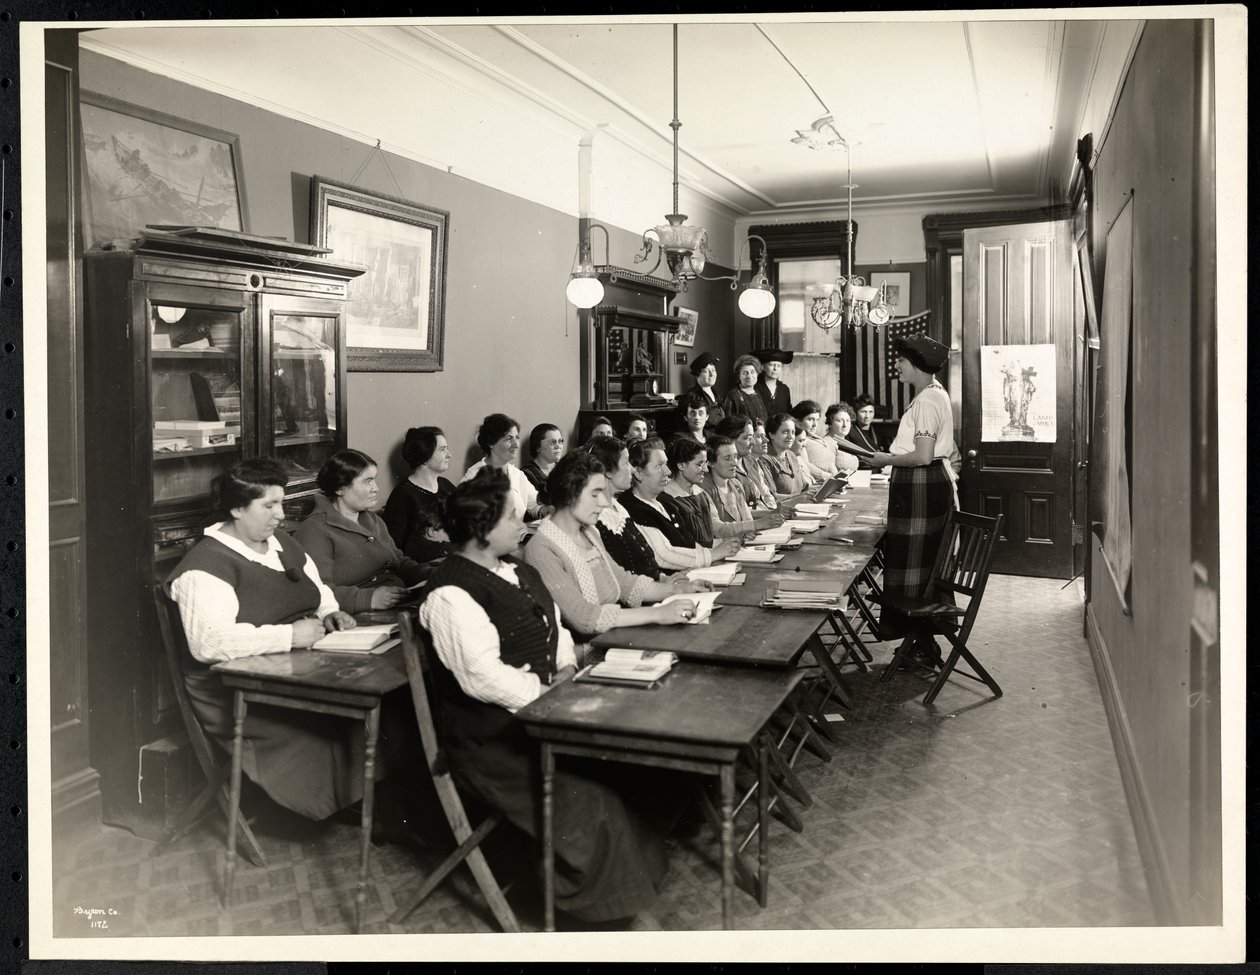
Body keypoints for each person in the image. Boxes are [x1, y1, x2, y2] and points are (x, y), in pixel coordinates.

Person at [418, 467, 678, 925]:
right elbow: (483, 678)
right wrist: (549, 696)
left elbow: (554, 626)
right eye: (512, 520)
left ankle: (627, 886)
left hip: (545, 710)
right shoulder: (450, 594)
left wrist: (563, 668)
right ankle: (593, 908)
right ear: (481, 531)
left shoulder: (515, 569)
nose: (524, 526)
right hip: (492, 741)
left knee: (634, 769)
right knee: (594, 799)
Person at [166, 458, 364, 821]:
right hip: (235, 689)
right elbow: (208, 643)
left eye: (282, 503)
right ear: (238, 508)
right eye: (269, 505)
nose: (280, 515)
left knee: (379, 702)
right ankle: (347, 803)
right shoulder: (205, 566)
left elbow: (319, 592)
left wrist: (329, 613)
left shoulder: (281, 543)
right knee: (336, 725)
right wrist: (290, 635)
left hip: (297, 666)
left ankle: (363, 800)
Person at [523, 452, 705, 656]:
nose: (603, 502)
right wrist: (657, 614)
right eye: (595, 494)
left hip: (612, 639)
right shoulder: (541, 549)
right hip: (586, 654)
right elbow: (585, 618)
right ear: (569, 494)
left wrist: (676, 590)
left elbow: (623, 581)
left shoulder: (589, 532)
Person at [868, 334, 960, 639]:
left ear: (918, 366)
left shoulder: (929, 399)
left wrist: (885, 459)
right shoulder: (929, 394)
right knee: (916, 562)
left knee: (918, 563)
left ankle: (920, 640)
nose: (896, 365)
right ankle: (919, 641)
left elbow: (922, 456)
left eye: (902, 361)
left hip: (923, 485)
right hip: (920, 485)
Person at [294, 449, 432, 613]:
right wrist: (369, 598)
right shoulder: (316, 529)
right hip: (356, 615)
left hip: (397, 603)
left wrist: (429, 574)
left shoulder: (372, 520)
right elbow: (315, 590)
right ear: (340, 488)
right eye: (367, 481)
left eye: (374, 480)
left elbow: (398, 561)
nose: (376, 488)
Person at [620, 437, 741, 571]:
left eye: (666, 464)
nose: (668, 472)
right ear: (638, 473)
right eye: (659, 466)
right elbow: (664, 554)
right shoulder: (632, 508)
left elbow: (688, 544)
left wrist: (725, 545)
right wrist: (714, 554)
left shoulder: (664, 503)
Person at [586, 435, 664, 580]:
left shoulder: (619, 508)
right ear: (608, 471)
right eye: (627, 462)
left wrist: (664, 579)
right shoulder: (596, 520)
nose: (633, 470)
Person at [382, 425, 455, 564]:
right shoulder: (402, 496)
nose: (449, 454)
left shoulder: (446, 485)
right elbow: (395, 548)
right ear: (425, 456)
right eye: (442, 449)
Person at [462, 413, 553, 522]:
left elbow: (536, 507)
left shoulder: (517, 474)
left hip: (520, 536)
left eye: (517, 437)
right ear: (491, 443)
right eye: (509, 438)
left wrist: (551, 509)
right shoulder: (473, 476)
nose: (516, 444)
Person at [701, 435, 783, 541]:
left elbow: (747, 518)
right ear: (710, 463)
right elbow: (716, 529)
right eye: (727, 458)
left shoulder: (735, 484)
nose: (734, 462)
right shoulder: (704, 489)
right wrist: (758, 523)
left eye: (735, 456)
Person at [660, 438, 718, 548]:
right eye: (699, 464)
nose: (705, 470)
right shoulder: (667, 499)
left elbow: (710, 538)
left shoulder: (702, 494)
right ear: (681, 465)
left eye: (705, 463)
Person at [714, 414, 777, 511]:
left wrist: (774, 510)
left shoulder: (750, 460)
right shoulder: (723, 468)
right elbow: (737, 511)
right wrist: (770, 514)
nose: (753, 442)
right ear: (729, 440)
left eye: (752, 437)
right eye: (747, 438)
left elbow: (765, 497)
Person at [793, 399, 857, 479]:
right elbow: (804, 464)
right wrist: (827, 476)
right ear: (799, 420)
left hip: (831, 482)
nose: (815, 424)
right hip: (817, 483)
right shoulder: (799, 440)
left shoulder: (816, 438)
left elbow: (830, 464)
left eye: (817, 420)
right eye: (810, 420)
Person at [764, 413, 813, 496]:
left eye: (793, 432)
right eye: (785, 432)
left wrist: (826, 489)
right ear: (772, 434)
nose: (790, 437)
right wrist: (798, 498)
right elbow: (772, 497)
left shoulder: (791, 455)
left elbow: (804, 488)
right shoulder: (765, 459)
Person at [676, 351, 724, 432]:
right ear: (697, 374)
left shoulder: (716, 395)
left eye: (713, 370)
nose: (711, 374)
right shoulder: (692, 396)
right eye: (706, 371)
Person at [522, 423, 566, 506]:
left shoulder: (565, 469)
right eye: (553, 442)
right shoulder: (526, 475)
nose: (558, 446)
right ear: (538, 447)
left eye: (560, 441)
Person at [720, 354, 768, 425]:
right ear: (739, 376)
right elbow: (728, 424)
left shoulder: (758, 392)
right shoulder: (733, 395)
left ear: (757, 374)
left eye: (752, 372)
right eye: (745, 373)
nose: (749, 376)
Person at [846, 394, 887, 472]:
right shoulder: (849, 432)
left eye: (871, 412)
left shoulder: (879, 433)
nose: (867, 416)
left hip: (880, 474)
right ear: (856, 413)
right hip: (860, 472)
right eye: (863, 412)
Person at [753, 348, 794, 416]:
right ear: (763, 367)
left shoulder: (784, 389)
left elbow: (788, 413)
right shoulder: (755, 387)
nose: (775, 369)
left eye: (779, 366)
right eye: (771, 365)